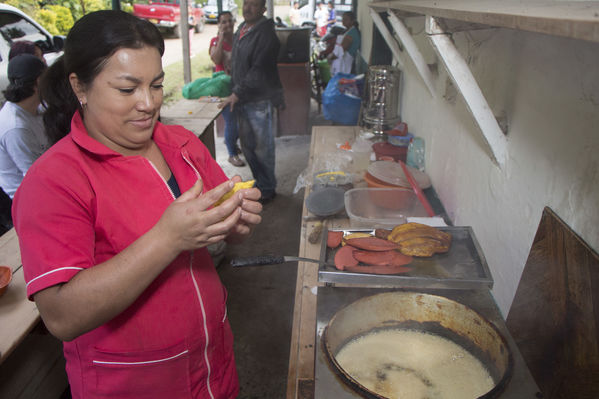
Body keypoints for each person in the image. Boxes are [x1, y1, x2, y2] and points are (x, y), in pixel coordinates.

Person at [12, 10, 262, 399]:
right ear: (80, 87)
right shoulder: (54, 181)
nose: (148, 103)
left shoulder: (180, 144)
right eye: (127, 90)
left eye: (157, 85)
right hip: (134, 384)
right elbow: (61, 315)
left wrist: (237, 224)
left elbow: (229, 233)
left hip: (213, 368)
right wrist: (167, 239)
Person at [221, 0, 284, 204]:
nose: (247, 8)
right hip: (243, 98)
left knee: (262, 148)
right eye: (246, 3)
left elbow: (258, 71)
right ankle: (261, 182)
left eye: (254, 5)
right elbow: (243, 59)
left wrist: (236, 93)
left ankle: (268, 188)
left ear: (263, 9)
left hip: (259, 100)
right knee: (248, 146)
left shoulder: (266, 35)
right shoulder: (243, 28)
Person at [0, 54, 49, 198]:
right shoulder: (16, 127)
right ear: (39, 82)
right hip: (29, 198)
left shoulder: (38, 109)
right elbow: (35, 177)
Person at [210, 11, 245, 167]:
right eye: (223, 22)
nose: (228, 24)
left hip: (238, 85)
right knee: (231, 122)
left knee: (240, 119)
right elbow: (216, 59)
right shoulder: (215, 41)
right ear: (219, 24)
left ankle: (232, 143)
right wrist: (221, 38)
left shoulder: (239, 39)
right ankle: (232, 154)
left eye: (230, 21)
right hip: (223, 88)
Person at [328, 11, 361, 76]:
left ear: (352, 21)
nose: (343, 21)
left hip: (345, 66)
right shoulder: (348, 31)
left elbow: (340, 51)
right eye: (343, 19)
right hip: (343, 64)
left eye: (346, 19)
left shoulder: (351, 34)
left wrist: (330, 57)